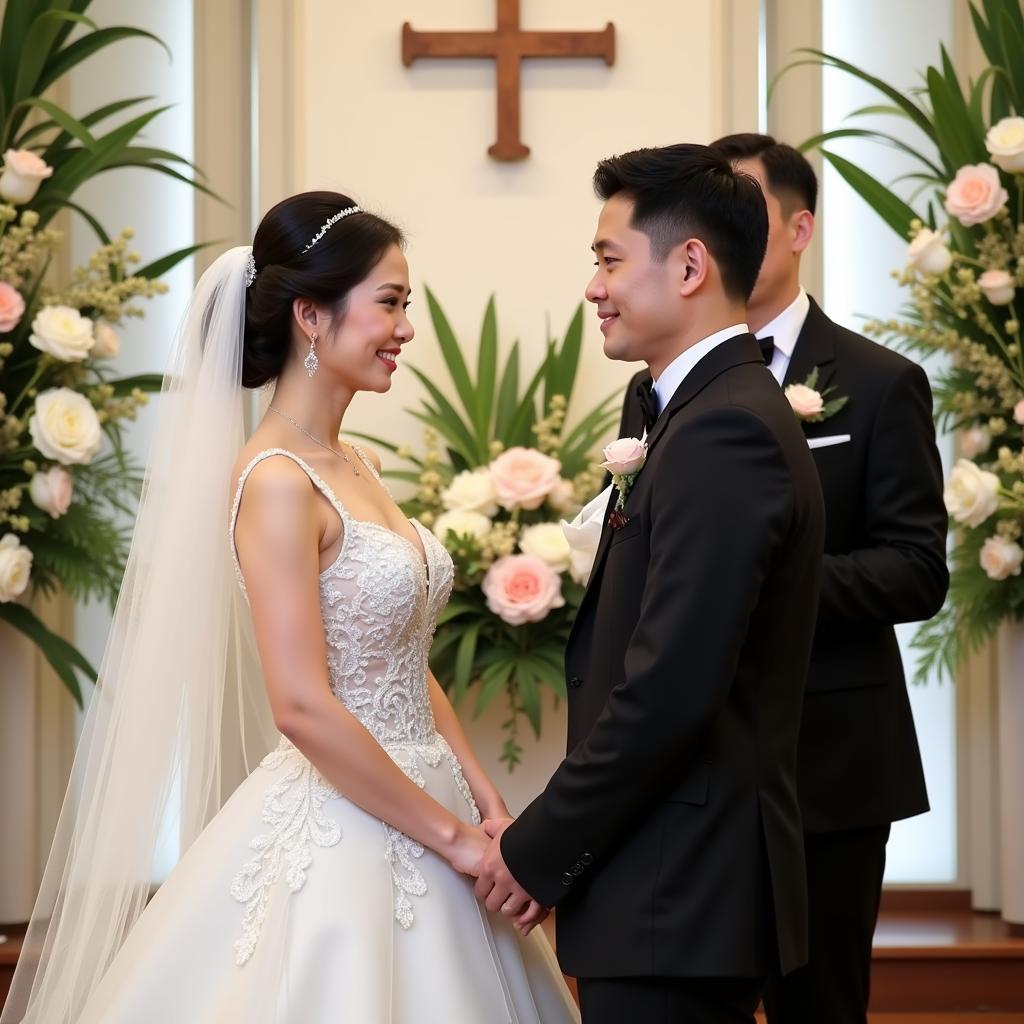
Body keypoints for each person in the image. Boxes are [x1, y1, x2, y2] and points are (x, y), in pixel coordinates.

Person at [2, 192, 580, 1024]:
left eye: (405, 305)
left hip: (435, 799)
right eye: (388, 303)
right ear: (311, 315)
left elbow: (405, 658)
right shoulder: (276, 480)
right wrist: (453, 842)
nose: (405, 329)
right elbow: (303, 706)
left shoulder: (358, 460)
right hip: (346, 822)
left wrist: (488, 807)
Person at [473, 144, 826, 1024]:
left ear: (692, 264)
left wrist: (535, 848)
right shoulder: (697, 411)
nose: (594, 286)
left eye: (608, 259)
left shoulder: (724, 431)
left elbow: (669, 689)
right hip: (667, 884)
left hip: (679, 887)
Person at [617, 133, 950, 1023]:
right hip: (698, 763)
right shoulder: (657, 386)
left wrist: (764, 586)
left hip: (831, 760)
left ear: (799, 228)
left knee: (821, 1008)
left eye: (749, 211)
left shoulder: (880, 383)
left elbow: (918, 569)